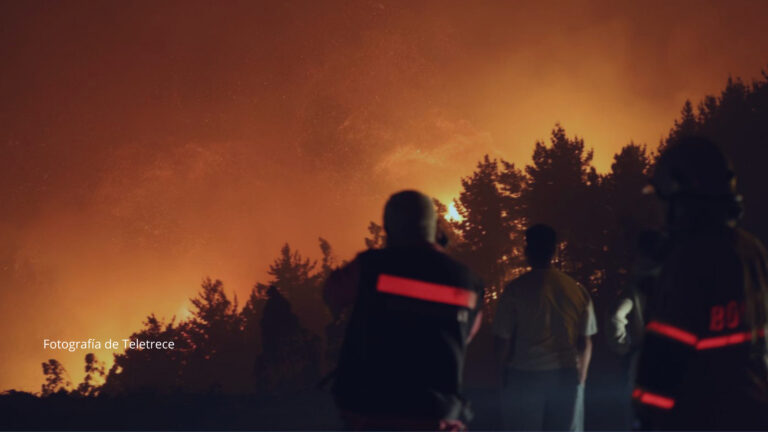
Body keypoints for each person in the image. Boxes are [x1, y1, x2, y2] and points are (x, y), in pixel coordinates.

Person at [633, 136, 768, 430]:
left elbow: (665, 357)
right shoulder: (751, 249)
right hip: (750, 410)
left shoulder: (690, 259)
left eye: (661, 198)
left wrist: (647, 417)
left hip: (698, 415)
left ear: (680, 202)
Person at [324, 190, 484, 431]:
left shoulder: (370, 267)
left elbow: (332, 295)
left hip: (374, 414)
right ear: (435, 228)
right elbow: (466, 334)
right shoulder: (468, 282)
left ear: (389, 228)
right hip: (438, 418)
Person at [493, 224, 597, 431]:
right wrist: (581, 378)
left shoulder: (515, 290)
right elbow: (585, 342)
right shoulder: (576, 290)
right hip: (566, 374)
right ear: (554, 250)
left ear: (527, 251)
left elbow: (502, 339)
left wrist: (502, 372)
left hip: (525, 375)